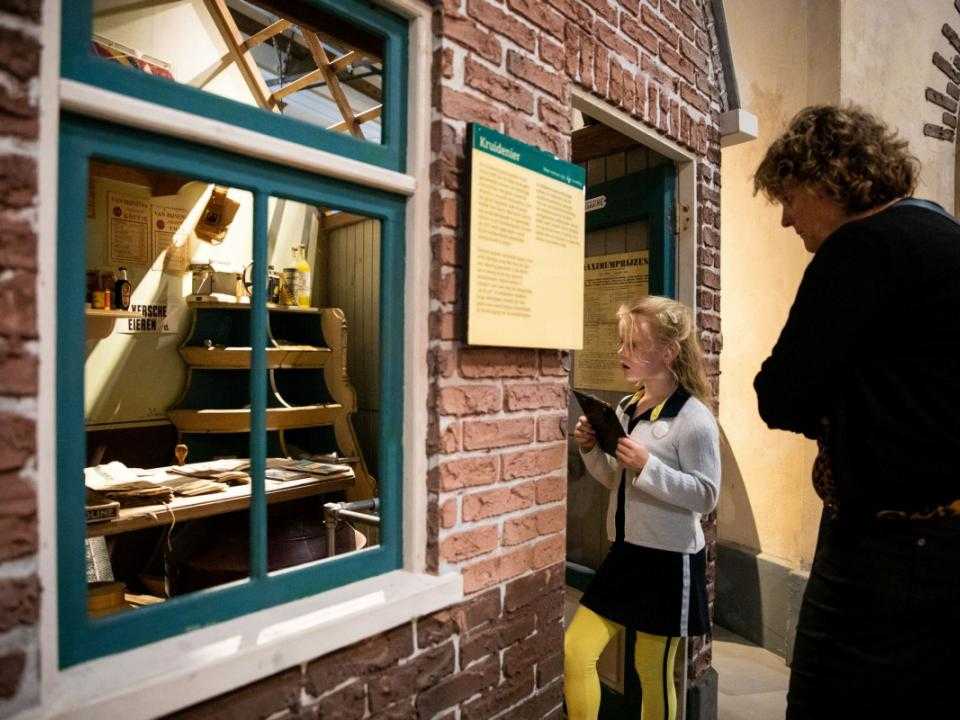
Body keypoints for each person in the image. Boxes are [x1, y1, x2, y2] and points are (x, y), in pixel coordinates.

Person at [753, 104, 960, 718]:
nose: (787, 219)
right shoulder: (946, 236)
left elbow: (779, 395)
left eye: (789, 198)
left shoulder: (858, 249)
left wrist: (841, 410)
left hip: (882, 551)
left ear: (826, 179)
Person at [564, 296, 721, 720]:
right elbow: (617, 479)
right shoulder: (627, 408)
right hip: (626, 553)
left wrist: (649, 466)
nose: (621, 353)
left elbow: (706, 497)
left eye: (633, 344)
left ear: (667, 352)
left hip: (669, 562)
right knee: (577, 648)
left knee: (652, 672)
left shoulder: (694, 419)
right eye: (621, 342)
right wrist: (591, 450)